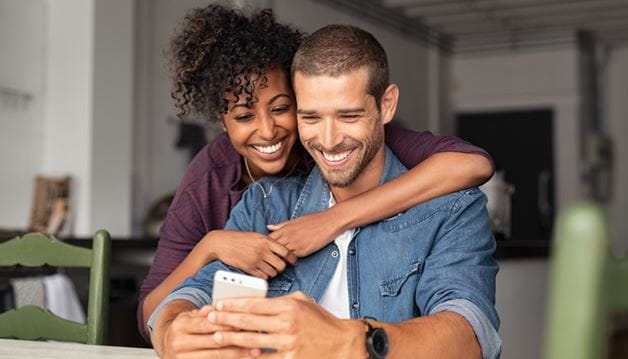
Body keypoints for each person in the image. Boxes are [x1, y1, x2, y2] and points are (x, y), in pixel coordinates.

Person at [138, 5, 495, 344]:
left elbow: (473, 164)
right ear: (223, 123)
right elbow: (165, 308)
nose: (328, 139)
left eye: (280, 110)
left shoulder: (443, 202)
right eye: (312, 117)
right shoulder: (249, 195)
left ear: (385, 106)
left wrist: (331, 221)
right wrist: (179, 322)